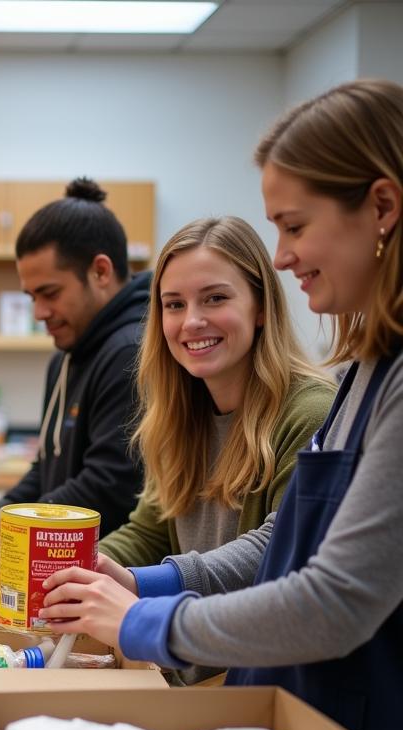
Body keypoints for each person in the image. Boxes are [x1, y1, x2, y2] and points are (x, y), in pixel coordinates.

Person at [20, 80, 403, 730]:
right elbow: (274, 545)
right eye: (173, 304)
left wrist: (141, 613)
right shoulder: (364, 373)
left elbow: (321, 585)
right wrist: (105, 576)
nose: (285, 254)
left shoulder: (326, 399)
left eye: (295, 225)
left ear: (381, 207)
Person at [96, 216, 334, 680]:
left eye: (215, 298)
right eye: (174, 304)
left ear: (261, 306)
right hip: (191, 680)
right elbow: (148, 532)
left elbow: (278, 545)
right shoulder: (179, 416)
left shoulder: (311, 410)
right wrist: (62, 570)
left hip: (262, 689)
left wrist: (140, 583)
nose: (192, 321)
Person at [0, 178, 151, 554]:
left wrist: (15, 523)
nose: (38, 313)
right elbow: (46, 468)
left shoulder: (132, 351)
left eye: (50, 293)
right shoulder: (66, 357)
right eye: (31, 296)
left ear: (101, 272)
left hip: (109, 573)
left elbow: (109, 484)